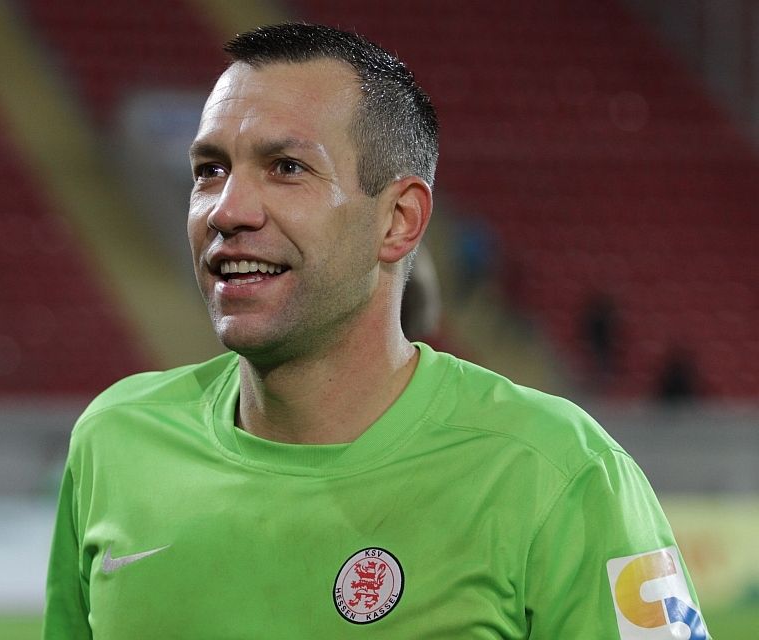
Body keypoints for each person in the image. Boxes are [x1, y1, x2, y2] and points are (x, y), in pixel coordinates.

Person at [43, 23, 708, 639]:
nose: (227, 210)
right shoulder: (115, 441)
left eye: (287, 168)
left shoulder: (558, 473)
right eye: (209, 170)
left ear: (399, 221)